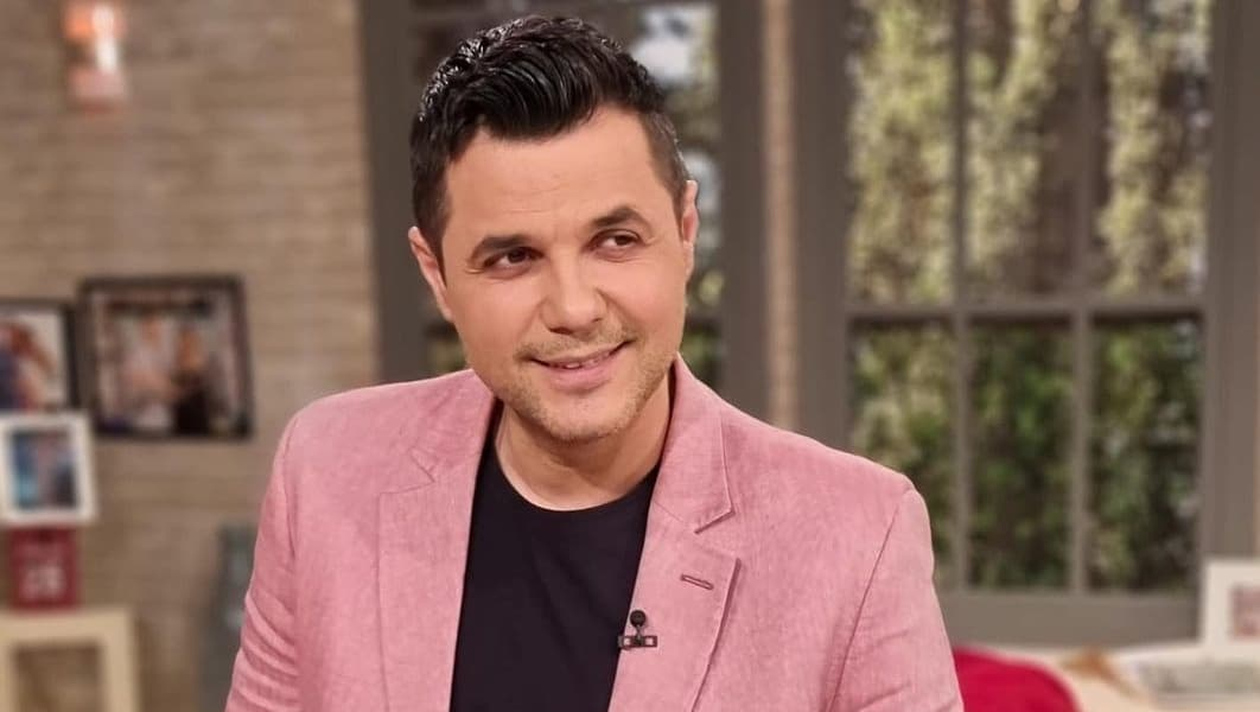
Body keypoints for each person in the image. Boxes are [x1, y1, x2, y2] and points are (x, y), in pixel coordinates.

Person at [227, 16, 960, 712]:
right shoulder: (325, 470)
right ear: (437, 276)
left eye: (616, 241)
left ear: (685, 232)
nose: (574, 309)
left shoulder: (858, 536)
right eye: (513, 258)